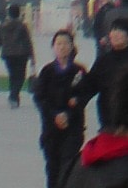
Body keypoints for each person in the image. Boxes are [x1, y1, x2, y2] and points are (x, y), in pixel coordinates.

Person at [34, 28, 90, 188]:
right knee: (52, 166)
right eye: (58, 43)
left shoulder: (79, 71)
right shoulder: (47, 71)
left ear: (72, 46)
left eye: (66, 43)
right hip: (51, 128)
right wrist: (54, 115)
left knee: (68, 165)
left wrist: (70, 112)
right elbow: (40, 97)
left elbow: (84, 95)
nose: (62, 46)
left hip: (72, 127)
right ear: (53, 47)